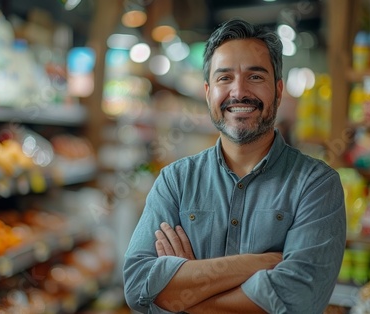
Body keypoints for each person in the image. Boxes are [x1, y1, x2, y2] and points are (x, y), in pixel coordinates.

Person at [123, 18, 346, 314]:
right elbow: (139, 288)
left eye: (255, 77)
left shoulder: (316, 184)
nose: (238, 92)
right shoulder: (175, 181)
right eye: (224, 78)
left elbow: (298, 300)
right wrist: (258, 264)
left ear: (278, 91)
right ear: (207, 92)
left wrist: (185, 292)